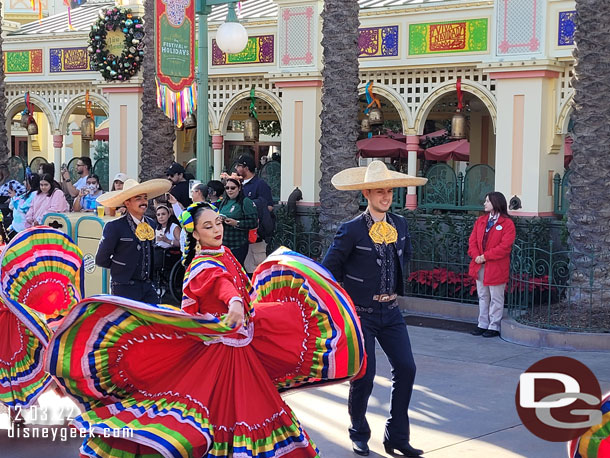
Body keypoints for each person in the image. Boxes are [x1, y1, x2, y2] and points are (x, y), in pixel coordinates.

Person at [46, 201, 366, 458]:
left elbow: (238, 287)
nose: (216, 230)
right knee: (236, 414)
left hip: (238, 350)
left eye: (218, 223)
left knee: (238, 414)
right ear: (196, 234)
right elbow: (225, 288)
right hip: (220, 355)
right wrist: (236, 306)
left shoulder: (224, 254)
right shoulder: (203, 266)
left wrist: (247, 307)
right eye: (208, 226)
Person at [322, 160, 427, 457]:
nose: (386, 196)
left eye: (389, 191)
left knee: (407, 368)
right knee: (364, 376)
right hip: (361, 315)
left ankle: (396, 436)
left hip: (391, 312)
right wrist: (344, 307)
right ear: (366, 193)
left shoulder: (400, 224)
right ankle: (358, 432)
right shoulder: (351, 230)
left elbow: (402, 260)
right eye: (379, 191)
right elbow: (329, 270)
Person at [95, 178, 171, 303]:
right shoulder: (115, 226)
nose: (143, 202)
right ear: (127, 203)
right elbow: (101, 259)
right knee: (126, 322)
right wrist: (122, 268)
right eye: (138, 199)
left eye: (145, 198)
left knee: (154, 318)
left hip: (147, 285)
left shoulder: (151, 223)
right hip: (123, 287)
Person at [468, 192, 516, 338]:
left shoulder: (507, 224)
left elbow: (505, 246)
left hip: (496, 266)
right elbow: (472, 241)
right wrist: (476, 256)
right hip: (480, 265)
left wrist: (485, 256)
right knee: (483, 295)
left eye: (487, 201)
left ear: (496, 203)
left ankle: (494, 325)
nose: (485, 203)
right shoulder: (481, 221)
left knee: (496, 297)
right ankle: (482, 323)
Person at [235, 154, 275, 275]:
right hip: (239, 235)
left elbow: (269, 207)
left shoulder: (260, 184)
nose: (236, 168)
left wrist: (251, 207)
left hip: (256, 235)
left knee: (255, 270)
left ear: (246, 168)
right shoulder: (238, 185)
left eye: (239, 166)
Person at [217, 175, 258, 266]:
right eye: (227, 188)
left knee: (236, 269)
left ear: (239, 188)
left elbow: (254, 223)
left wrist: (236, 223)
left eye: (232, 188)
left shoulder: (245, 202)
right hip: (224, 244)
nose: (229, 190)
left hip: (238, 244)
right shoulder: (224, 202)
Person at [7, 172, 40, 237]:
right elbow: (12, 206)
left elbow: (23, 207)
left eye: (25, 180)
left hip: (24, 229)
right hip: (17, 227)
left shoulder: (35, 194)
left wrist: (14, 197)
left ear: (30, 182)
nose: (24, 182)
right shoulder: (28, 193)